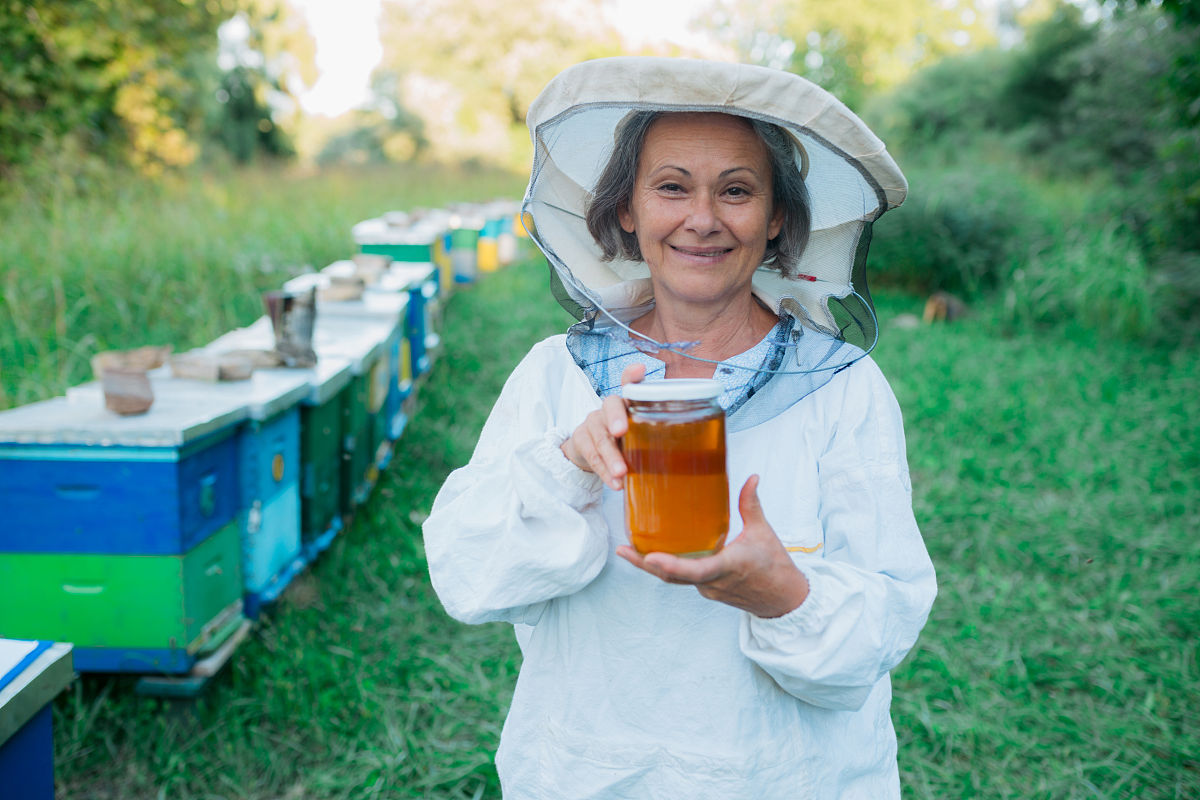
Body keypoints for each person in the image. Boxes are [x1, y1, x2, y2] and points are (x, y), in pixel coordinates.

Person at [423, 57, 936, 799]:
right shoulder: (554, 374)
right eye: (671, 187)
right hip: (588, 772)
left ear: (777, 218)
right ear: (627, 209)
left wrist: (784, 594)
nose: (703, 218)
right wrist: (568, 463)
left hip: (785, 778)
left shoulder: (844, 390)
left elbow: (884, 622)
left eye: (737, 190)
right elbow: (468, 577)